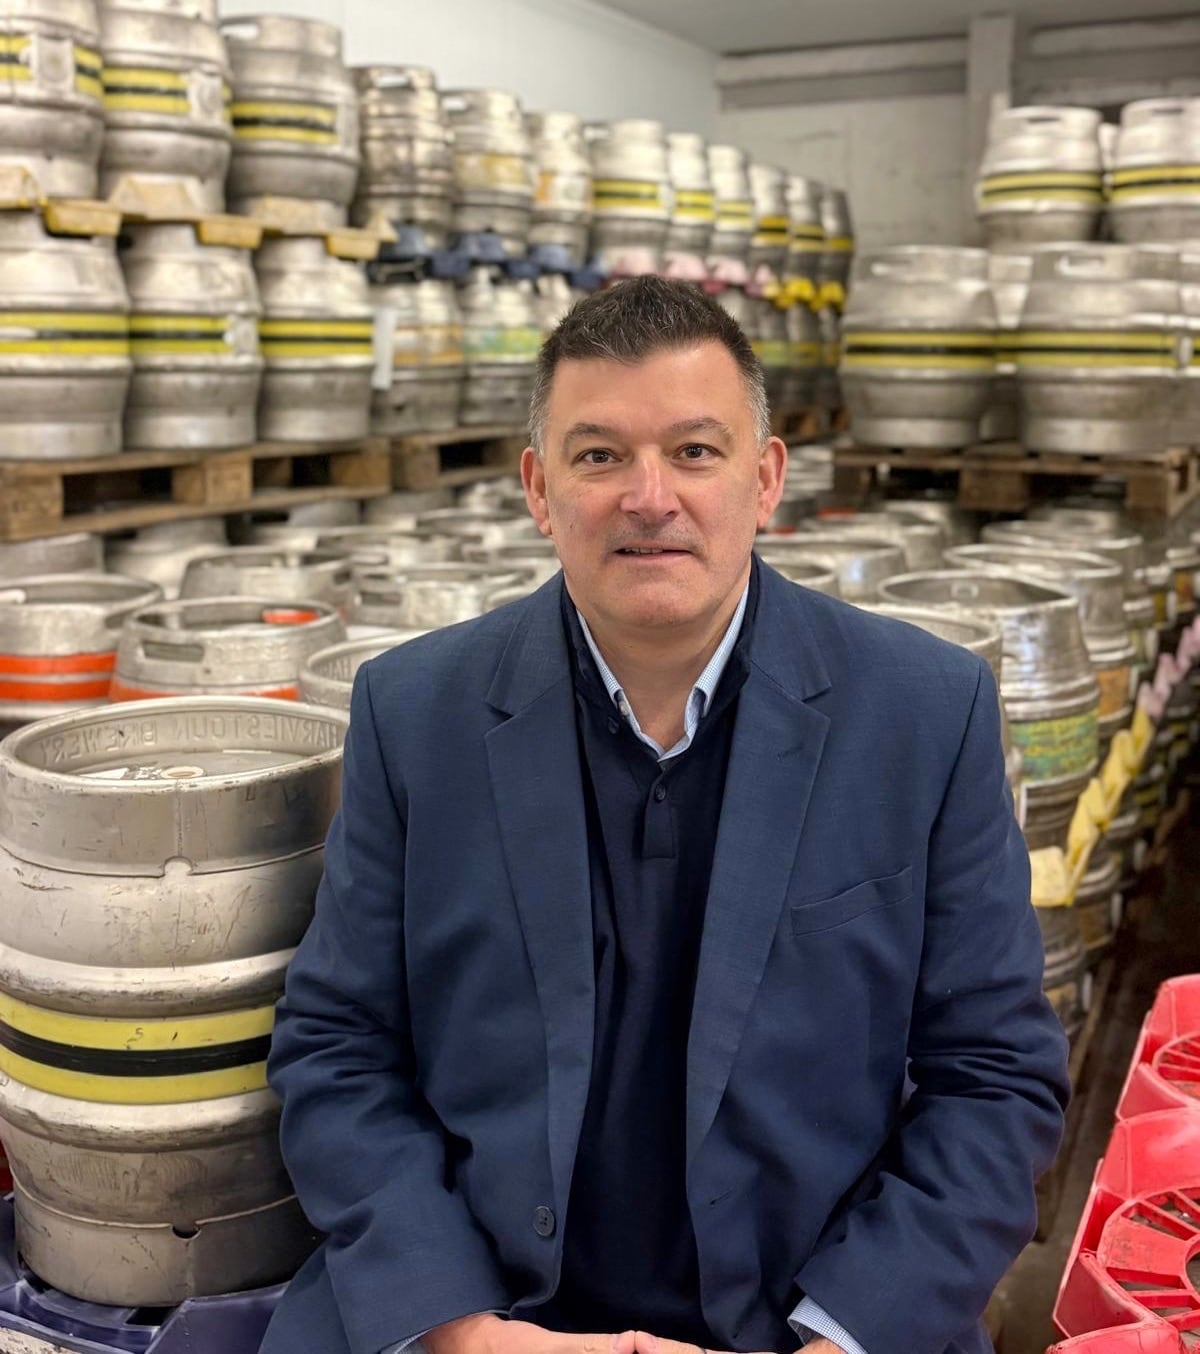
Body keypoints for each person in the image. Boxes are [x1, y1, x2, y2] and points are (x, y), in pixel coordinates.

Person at [260, 276, 1069, 1354]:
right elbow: (339, 1047)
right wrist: (460, 1329)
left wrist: (840, 1337)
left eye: (695, 451)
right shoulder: (414, 714)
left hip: (805, 1316)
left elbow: (995, 1076)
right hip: (491, 1305)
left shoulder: (924, 713)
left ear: (765, 479)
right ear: (539, 489)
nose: (650, 497)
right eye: (600, 456)